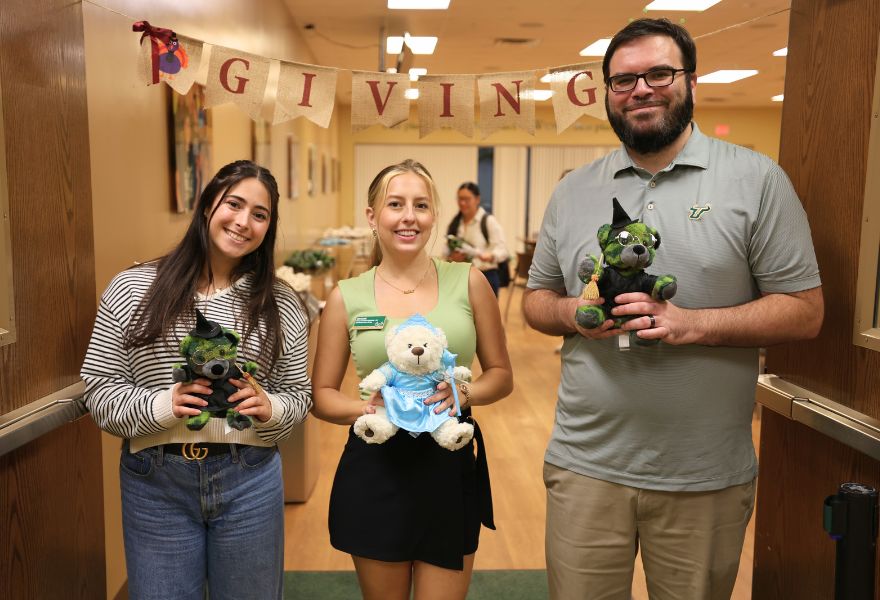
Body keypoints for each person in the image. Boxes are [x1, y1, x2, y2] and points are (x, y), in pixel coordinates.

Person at [522, 18, 824, 600]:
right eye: (624, 80)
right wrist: (572, 315)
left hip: (704, 475)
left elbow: (804, 311)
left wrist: (693, 324)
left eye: (659, 73)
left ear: (691, 81)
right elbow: (537, 300)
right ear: (607, 92)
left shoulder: (757, 181)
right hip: (586, 466)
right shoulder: (574, 190)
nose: (641, 90)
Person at [81, 160, 312, 600]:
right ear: (207, 205)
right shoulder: (133, 287)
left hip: (250, 477)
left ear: (269, 227)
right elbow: (99, 387)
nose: (243, 222)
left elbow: (298, 396)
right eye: (234, 204)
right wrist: (162, 405)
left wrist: (272, 408)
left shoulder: (282, 303)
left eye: (260, 214)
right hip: (155, 481)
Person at [312, 159, 513, 600]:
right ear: (372, 217)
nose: (409, 217)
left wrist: (465, 392)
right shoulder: (346, 297)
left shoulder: (469, 282)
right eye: (395, 205)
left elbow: (501, 375)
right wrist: (367, 408)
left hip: (448, 462)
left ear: (434, 215)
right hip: (376, 467)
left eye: (421, 205)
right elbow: (321, 396)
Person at [445, 182, 510, 297]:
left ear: (477, 199)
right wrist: (452, 258)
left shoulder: (488, 221)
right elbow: (446, 252)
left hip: (486, 277)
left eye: (466, 199)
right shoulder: (455, 223)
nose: (462, 203)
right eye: (460, 199)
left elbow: (503, 250)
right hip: (461, 277)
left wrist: (491, 256)